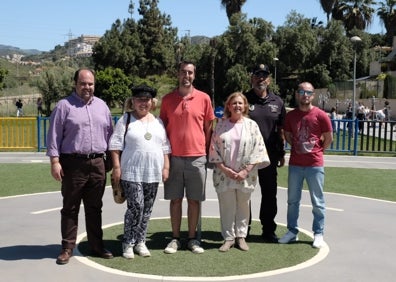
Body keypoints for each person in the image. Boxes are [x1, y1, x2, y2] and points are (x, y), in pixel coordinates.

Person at [46, 68, 114, 265]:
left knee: (95, 207)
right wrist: (55, 161)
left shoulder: (102, 106)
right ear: (75, 84)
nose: (87, 87)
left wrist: (110, 160)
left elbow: (110, 134)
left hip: (98, 163)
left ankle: (96, 245)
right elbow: (54, 136)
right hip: (72, 163)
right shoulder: (63, 106)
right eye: (83, 83)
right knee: (70, 207)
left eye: (90, 84)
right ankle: (67, 247)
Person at [109, 85, 171, 259]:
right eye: (139, 100)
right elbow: (115, 145)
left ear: (152, 102)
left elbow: (165, 146)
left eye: (146, 100)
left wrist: (166, 167)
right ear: (133, 101)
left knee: (147, 209)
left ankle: (140, 241)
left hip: (152, 173)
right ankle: (128, 242)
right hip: (131, 171)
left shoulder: (158, 122)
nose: (143, 103)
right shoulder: (126, 119)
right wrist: (116, 167)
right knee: (136, 206)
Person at [159, 60, 215, 254]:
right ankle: (175, 238)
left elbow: (208, 128)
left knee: (194, 200)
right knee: (175, 200)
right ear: (178, 74)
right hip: (174, 157)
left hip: (197, 157)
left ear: (194, 75)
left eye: (190, 73)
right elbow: (162, 129)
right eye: (183, 72)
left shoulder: (204, 98)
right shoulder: (167, 100)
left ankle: (192, 239)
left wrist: (205, 151)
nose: (187, 76)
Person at [209, 92, 270, 252]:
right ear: (228, 106)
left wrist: (246, 170)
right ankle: (228, 238)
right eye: (234, 103)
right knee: (227, 205)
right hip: (224, 174)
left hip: (246, 174)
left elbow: (259, 148)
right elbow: (213, 148)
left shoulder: (251, 126)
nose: (237, 106)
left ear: (245, 106)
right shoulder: (221, 125)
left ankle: (241, 237)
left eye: (240, 103)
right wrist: (225, 169)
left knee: (243, 205)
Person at [278, 82, 333, 249]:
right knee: (292, 201)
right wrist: (298, 147)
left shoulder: (321, 115)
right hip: (295, 164)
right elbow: (287, 135)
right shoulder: (291, 116)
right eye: (301, 91)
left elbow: (328, 138)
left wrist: (317, 152)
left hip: (314, 165)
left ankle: (318, 233)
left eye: (308, 92)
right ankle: (292, 231)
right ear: (297, 94)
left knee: (318, 201)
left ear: (313, 95)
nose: (305, 95)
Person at [244, 64, 286, 243]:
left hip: (269, 157)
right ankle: (243, 228)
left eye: (264, 76)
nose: (260, 79)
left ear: (269, 79)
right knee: (245, 193)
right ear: (251, 78)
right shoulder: (244, 99)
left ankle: (268, 229)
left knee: (269, 193)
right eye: (257, 75)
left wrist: (282, 152)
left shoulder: (277, 102)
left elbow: (281, 129)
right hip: (246, 157)